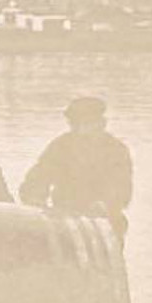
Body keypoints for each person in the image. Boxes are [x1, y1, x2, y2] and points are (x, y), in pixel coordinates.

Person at [19, 96, 133, 236]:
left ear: (101, 123)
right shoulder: (61, 146)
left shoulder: (116, 150)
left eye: (86, 123)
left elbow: (122, 188)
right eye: (75, 124)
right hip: (65, 217)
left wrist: (106, 204)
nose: (80, 130)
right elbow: (39, 176)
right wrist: (35, 198)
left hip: (104, 220)